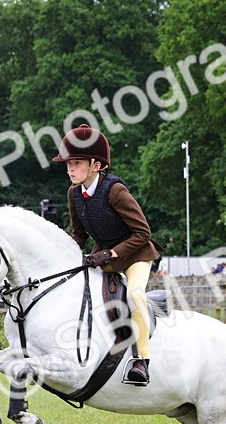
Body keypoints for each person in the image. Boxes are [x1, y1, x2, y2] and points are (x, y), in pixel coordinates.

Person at [53, 124, 160, 386]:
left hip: (135, 255)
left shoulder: (115, 190)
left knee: (134, 294)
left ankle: (141, 361)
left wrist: (112, 253)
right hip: (103, 257)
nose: (70, 169)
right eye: (68, 164)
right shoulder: (73, 193)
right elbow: (79, 235)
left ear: (96, 165)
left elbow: (143, 232)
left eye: (77, 163)